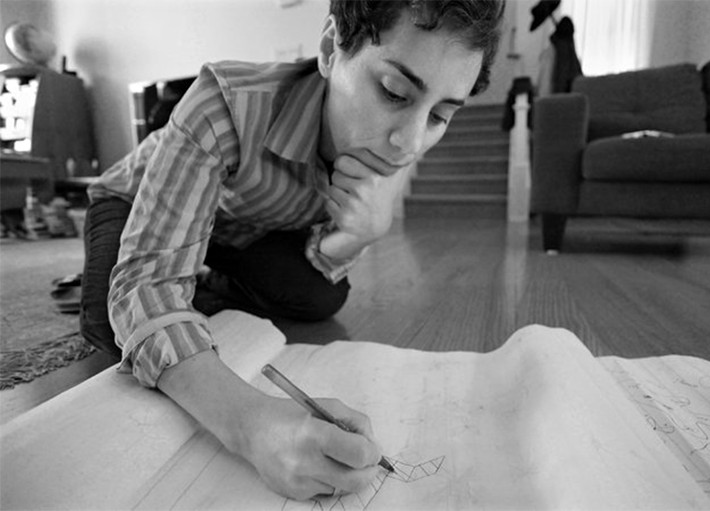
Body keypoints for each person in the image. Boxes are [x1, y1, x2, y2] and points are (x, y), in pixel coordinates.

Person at [80, 0, 505, 500]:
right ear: (330, 49)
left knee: (319, 299)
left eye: (439, 115)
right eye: (393, 92)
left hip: (241, 227)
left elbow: (318, 256)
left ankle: (199, 283)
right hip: (137, 200)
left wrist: (363, 232)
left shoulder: (394, 143)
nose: (408, 143)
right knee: (111, 326)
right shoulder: (224, 101)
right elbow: (144, 288)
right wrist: (252, 424)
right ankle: (188, 282)